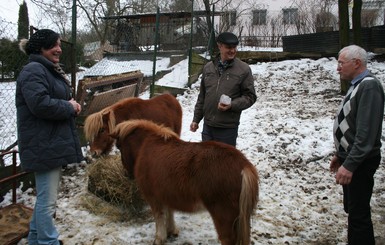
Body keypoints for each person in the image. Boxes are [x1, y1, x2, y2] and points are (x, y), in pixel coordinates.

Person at [16, 29, 83, 245]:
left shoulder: (45, 69)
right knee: (47, 201)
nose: (59, 49)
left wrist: (70, 104)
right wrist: (69, 106)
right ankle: (48, 241)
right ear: (40, 47)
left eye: (59, 45)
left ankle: (36, 239)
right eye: (53, 45)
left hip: (48, 142)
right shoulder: (34, 70)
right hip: (43, 144)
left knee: (46, 198)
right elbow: (40, 105)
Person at [330, 45, 384, 245]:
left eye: (341, 63)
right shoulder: (357, 84)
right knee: (353, 210)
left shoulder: (369, 86)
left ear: (357, 63)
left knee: (358, 214)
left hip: (361, 161)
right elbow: (351, 125)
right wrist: (340, 153)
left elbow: (365, 135)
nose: (338, 68)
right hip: (352, 157)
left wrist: (350, 164)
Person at [190, 32, 256, 146]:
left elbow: (250, 97)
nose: (232, 51)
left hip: (227, 128)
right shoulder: (208, 68)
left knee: (225, 163)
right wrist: (196, 119)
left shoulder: (243, 69)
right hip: (208, 127)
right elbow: (202, 96)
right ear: (219, 46)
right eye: (228, 47)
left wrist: (232, 105)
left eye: (234, 47)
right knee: (207, 161)